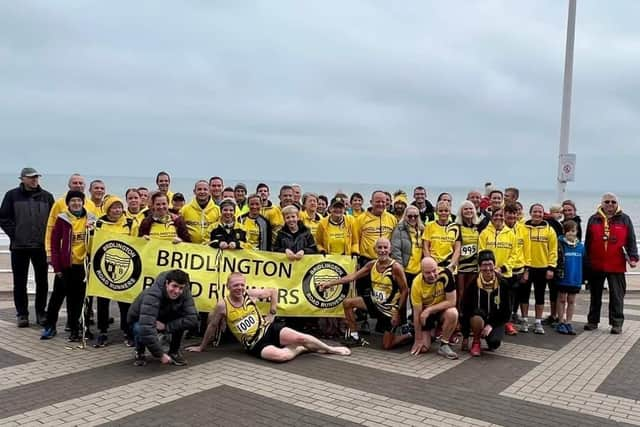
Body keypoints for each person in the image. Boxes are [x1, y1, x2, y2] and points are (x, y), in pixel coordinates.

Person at [186, 273, 351, 361]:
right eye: (236, 285)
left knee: (301, 336)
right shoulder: (223, 305)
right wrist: (202, 347)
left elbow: (273, 291)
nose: (240, 288)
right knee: (281, 356)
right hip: (255, 343)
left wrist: (272, 312)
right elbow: (212, 326)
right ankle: (300, 349)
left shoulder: (249, 294)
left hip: (269, 329)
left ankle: (331, 350)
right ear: (228, 286)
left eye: (242, 285)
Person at [319, 238, 410, 349]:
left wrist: (397, 311)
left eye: (385, 248)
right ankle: (354, 336)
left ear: (390, 250)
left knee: (387, 346)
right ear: (375, 249)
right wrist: (330, 283)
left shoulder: (396, 268)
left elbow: (405, 290)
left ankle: (408, 336)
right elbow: (353, 276)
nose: (382, 250)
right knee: (348, 303)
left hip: (389, 309)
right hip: (374, 302)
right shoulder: (372, 264)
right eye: (379, 247)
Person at [0, 167, 54, 327]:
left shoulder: (47, 197)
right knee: (20, 282)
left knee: (42, 281)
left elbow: (53, 221)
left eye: (36, 177)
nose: (34, 180)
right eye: (31, 177)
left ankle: (40, 313)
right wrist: (15, 234)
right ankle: (22, 314)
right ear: (22, 179)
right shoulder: (12, 195)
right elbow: (3, 217)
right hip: (19, 246)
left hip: (40, 246)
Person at [41, 191, 96, 341]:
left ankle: (75, 328)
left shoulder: (91, 218)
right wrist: (57, 267)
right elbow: (54, 243)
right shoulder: (62, 219)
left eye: (79, 200)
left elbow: (98, 240)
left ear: (83, 202)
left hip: (83, 266)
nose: (76, 203)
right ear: (68, 203)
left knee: (77, 300)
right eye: (73, 201)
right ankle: (50, 326)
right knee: (57, 298)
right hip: (66, 266)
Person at [584, 193, 638, 334]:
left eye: (613, 202)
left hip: (616, 264)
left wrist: (633, 257)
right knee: (595, 295)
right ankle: (592, 321)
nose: (610, 204)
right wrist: (586, 262)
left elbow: (631, 240)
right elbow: (588, 242)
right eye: (607, 202)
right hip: (596, 264)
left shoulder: (625, 219)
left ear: (617, 204)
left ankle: (616, 323)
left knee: (617, 296)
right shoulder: (593, 219)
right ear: (602, 203)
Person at [127, 269, 198, 366]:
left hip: (164, 321)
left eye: (181, 288)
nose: (177, 291)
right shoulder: (152, 295)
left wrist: (166, 327)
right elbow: (146, 327)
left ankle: (174, 352)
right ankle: (140, 352)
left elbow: (192, 319)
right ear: (166, 283)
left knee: (181, 319)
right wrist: (160, 355)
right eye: (174, 286)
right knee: (139, 329)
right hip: (141, 320)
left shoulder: (185, 293)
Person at [93, 196, 136, 347]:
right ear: (108, 209)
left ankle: (127, 331)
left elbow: (138, 244)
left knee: (125, 302)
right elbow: (92, 245)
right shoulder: (98, 224)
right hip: (104, 268)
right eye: (114, 207)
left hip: (125, 268)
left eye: (119, 207)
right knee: (103, 302)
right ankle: (103, 331)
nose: (117, 210)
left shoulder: (130, 223)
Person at [461, 250, 511, 357]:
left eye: (490, 265)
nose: (487, 269)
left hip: (494, 320)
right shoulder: (473, 284)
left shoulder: (503, 283)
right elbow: (465, 309)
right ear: (479, 267)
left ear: (495, 265)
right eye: (484, 265)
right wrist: (465, 335)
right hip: (478, 317)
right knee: (476, 318)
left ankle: (488, 334)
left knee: (494, 343)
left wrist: (491, 325)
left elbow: (506, 312)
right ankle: (476, 341)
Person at [409, 257, 459, 359]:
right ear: (422, 272)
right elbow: (417, 313)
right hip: (424, 316)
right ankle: (419, 333)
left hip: (440, 311)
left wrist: (429, 310)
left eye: (434, 271)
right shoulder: (416, 284)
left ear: (437, 268)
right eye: (428, 273)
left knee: (453, 313)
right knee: (423, 348)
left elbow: (452, 301)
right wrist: (418, 340)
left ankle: (444, 344)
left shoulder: (446, 274)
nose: (432, 275)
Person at [520, 203, 557, 335]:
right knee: (524, 295)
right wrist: (523, 267)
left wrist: (551, 268)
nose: (537, 214)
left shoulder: (549, 230)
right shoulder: (522, 228)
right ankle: (524, 319)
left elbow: (553, 251)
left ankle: (538, 321)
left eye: (540, 212)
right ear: (530, 213)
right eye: (535, 211)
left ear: (543, 214)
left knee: (539, 296)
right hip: (526, 268)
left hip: (542, 267)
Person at [556, 220, 584, 335]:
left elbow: (585, 263)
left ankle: (568, 322)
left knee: (571, 301)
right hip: (563, 278)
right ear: (564, 232)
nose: (571, 233)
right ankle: (561, 322)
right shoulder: (560, 244)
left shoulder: (581, 247)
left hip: (575, 279)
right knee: (562, 299)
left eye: (573, 231)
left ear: (577, 231)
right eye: (568, 231)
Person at [454, 201, 480, 322]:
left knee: (471, 293)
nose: (469, 211)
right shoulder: (458, 227)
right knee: (461, 293)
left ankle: (469, 318)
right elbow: (457, 248)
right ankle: (458, 317)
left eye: (471, 209)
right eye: (466, 209)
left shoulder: (477, 226)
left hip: (474, 266)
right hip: (461, 266)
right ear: (461, 212)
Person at [391, 206, 424, 287]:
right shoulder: (399, 229)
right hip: (406, 270)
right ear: (405, 216)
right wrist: (399, 270)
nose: (413, 218)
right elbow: (396, 251)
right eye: (410, 216)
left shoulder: (423, 229)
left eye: (415, 216)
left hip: (420, 270)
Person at [422, 201, 461, 269]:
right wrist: (430, 263)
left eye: (446, 211)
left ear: (450, 212)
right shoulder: (429, 226)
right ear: (436, 212)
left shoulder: (455, 227)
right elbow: (425, 248)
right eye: (440, 211)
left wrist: (452, 265)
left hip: (449, 265)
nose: (443, 213)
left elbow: (457, 249)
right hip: (433, 265)